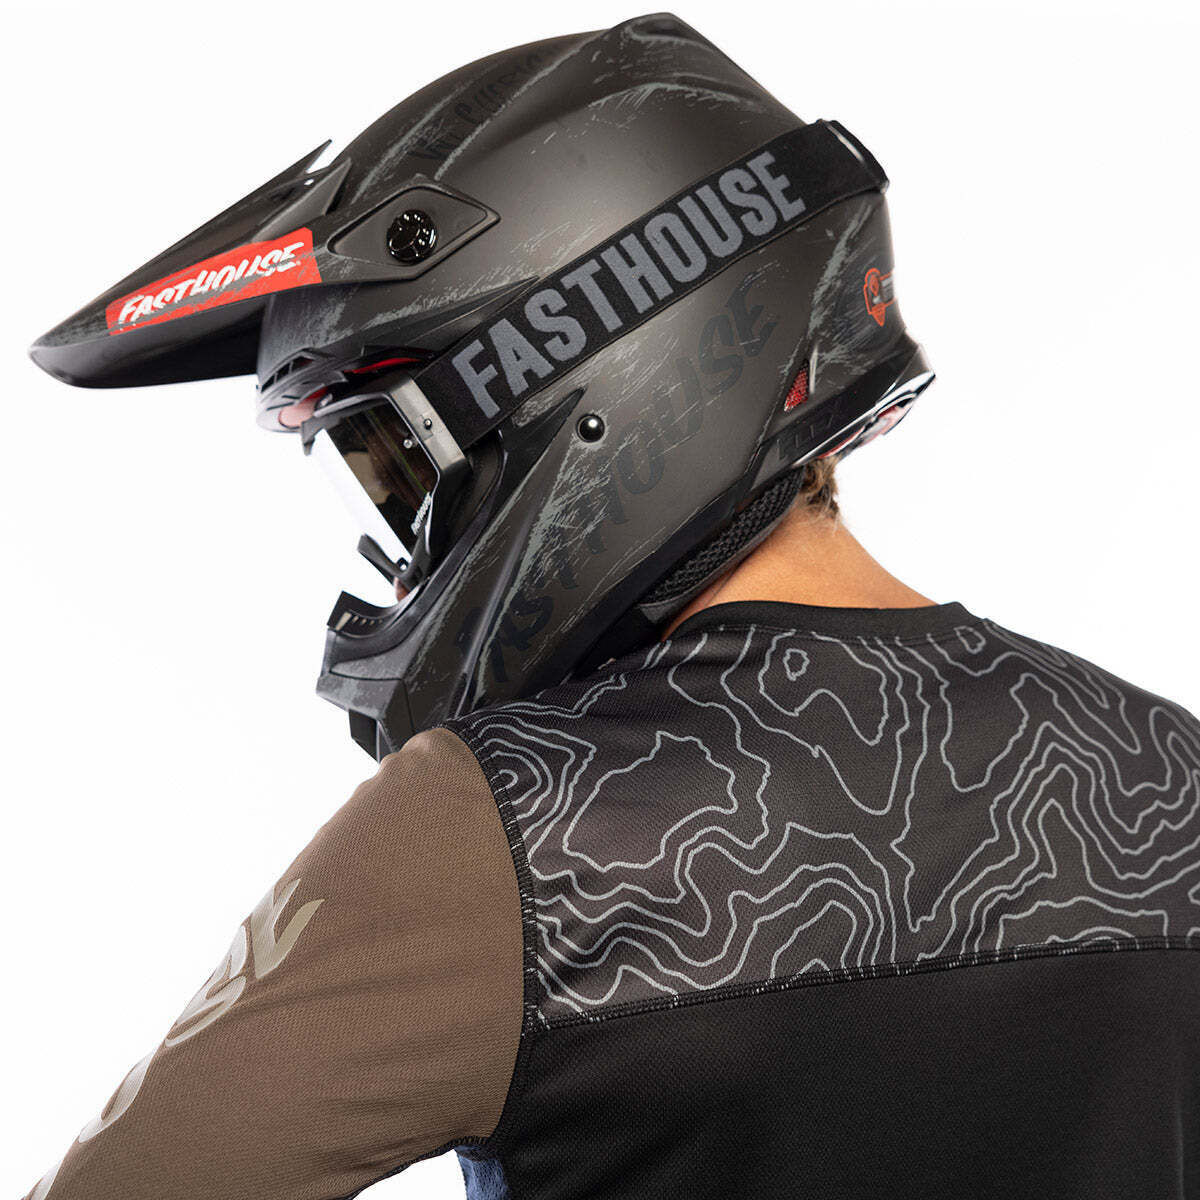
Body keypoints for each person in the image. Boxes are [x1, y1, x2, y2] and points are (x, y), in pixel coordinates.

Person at [22, 14, 1199, 1200]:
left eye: (400, 467)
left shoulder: (505, 829)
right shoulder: (1168, 775)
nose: (404, 538)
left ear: (576, 373)